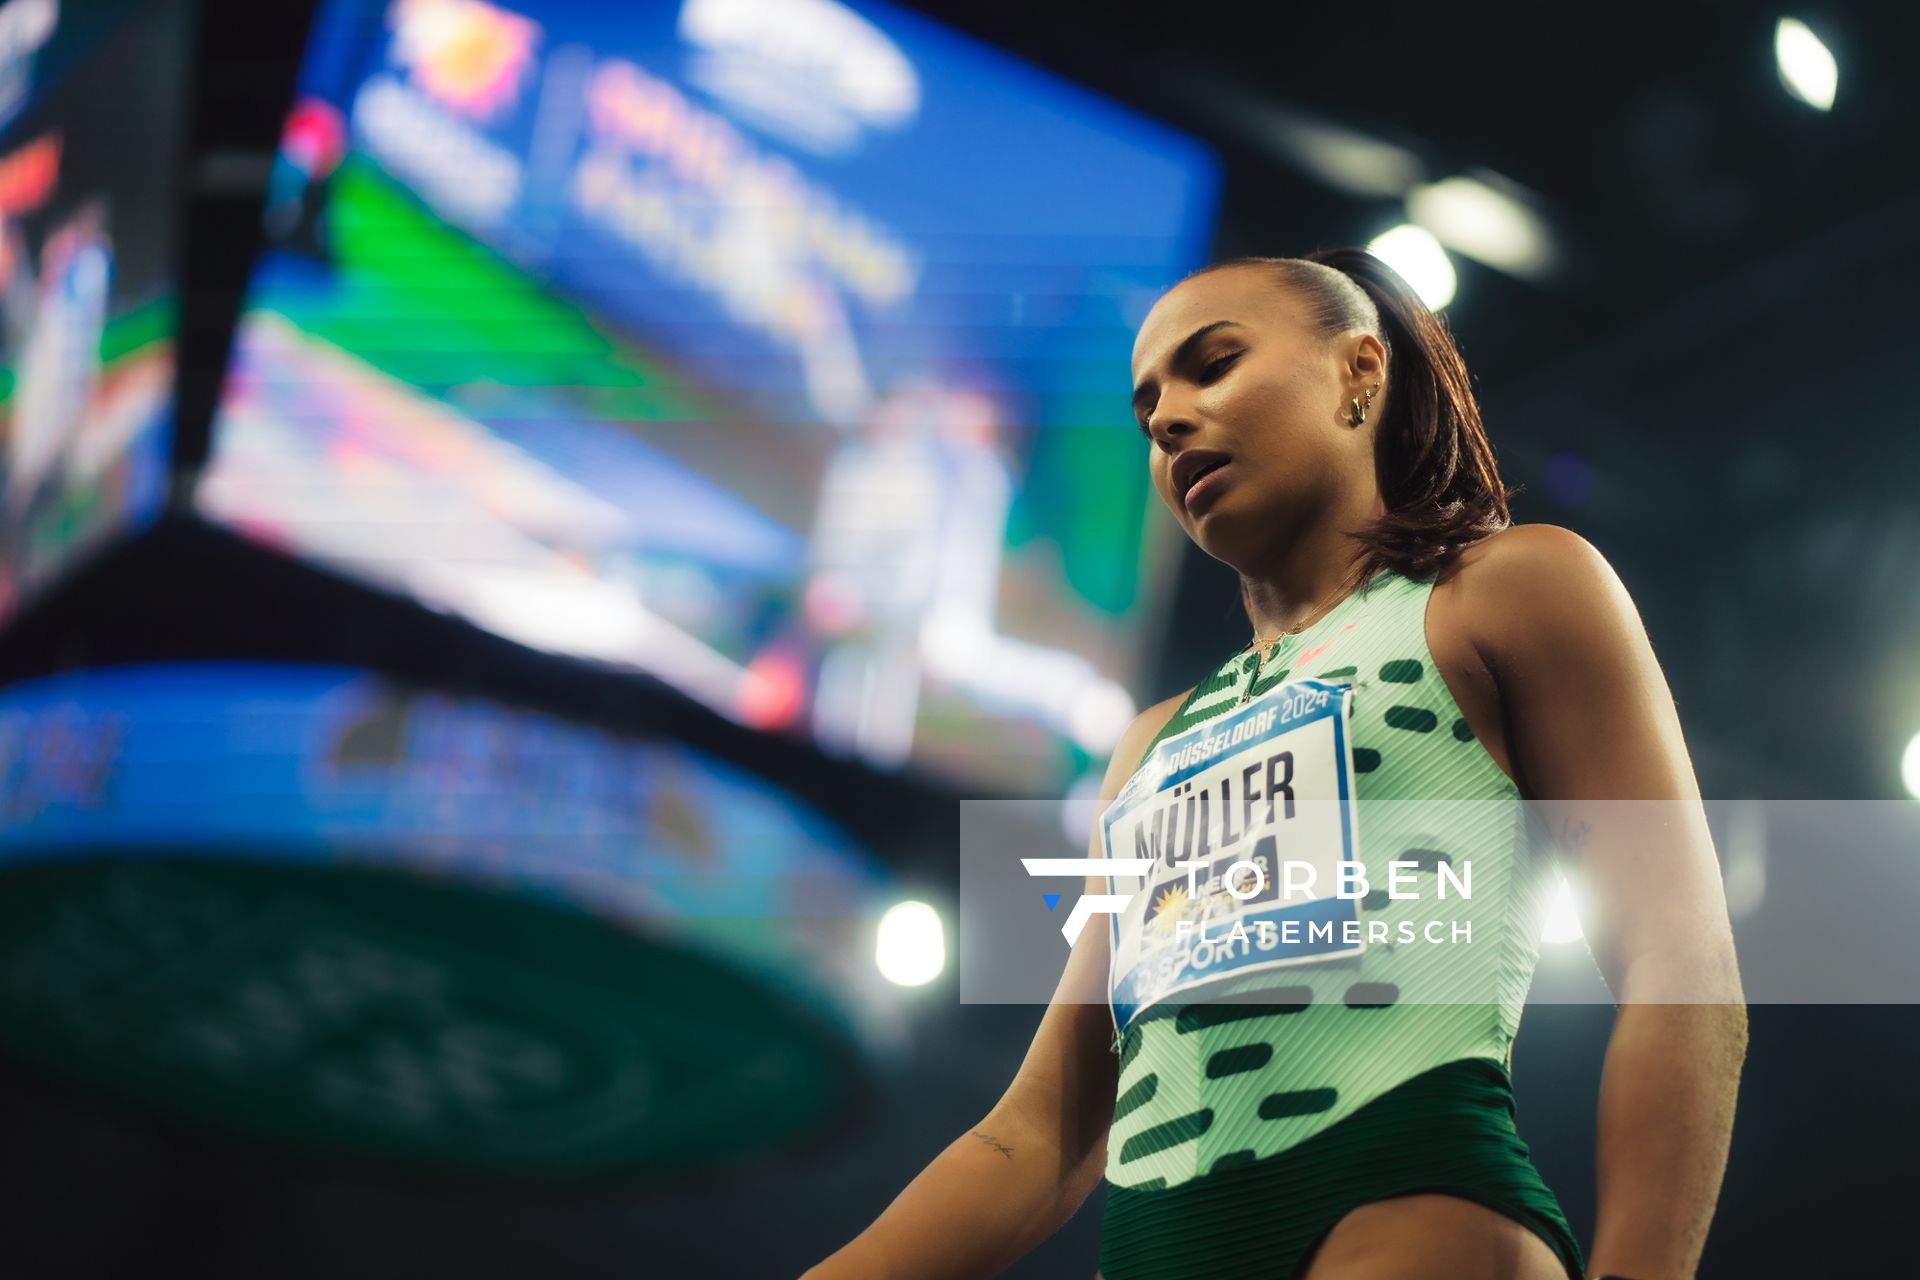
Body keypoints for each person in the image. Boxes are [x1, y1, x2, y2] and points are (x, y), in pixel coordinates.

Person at [802, 248, 1747, 1280]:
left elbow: (1681, 961)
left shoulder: (1509, 590)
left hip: (1411, 1216)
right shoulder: (1149, 745)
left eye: (1212, 364)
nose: (1165, 420)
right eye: (1146, 405)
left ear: (1361, 373)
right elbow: (1035, 1134)